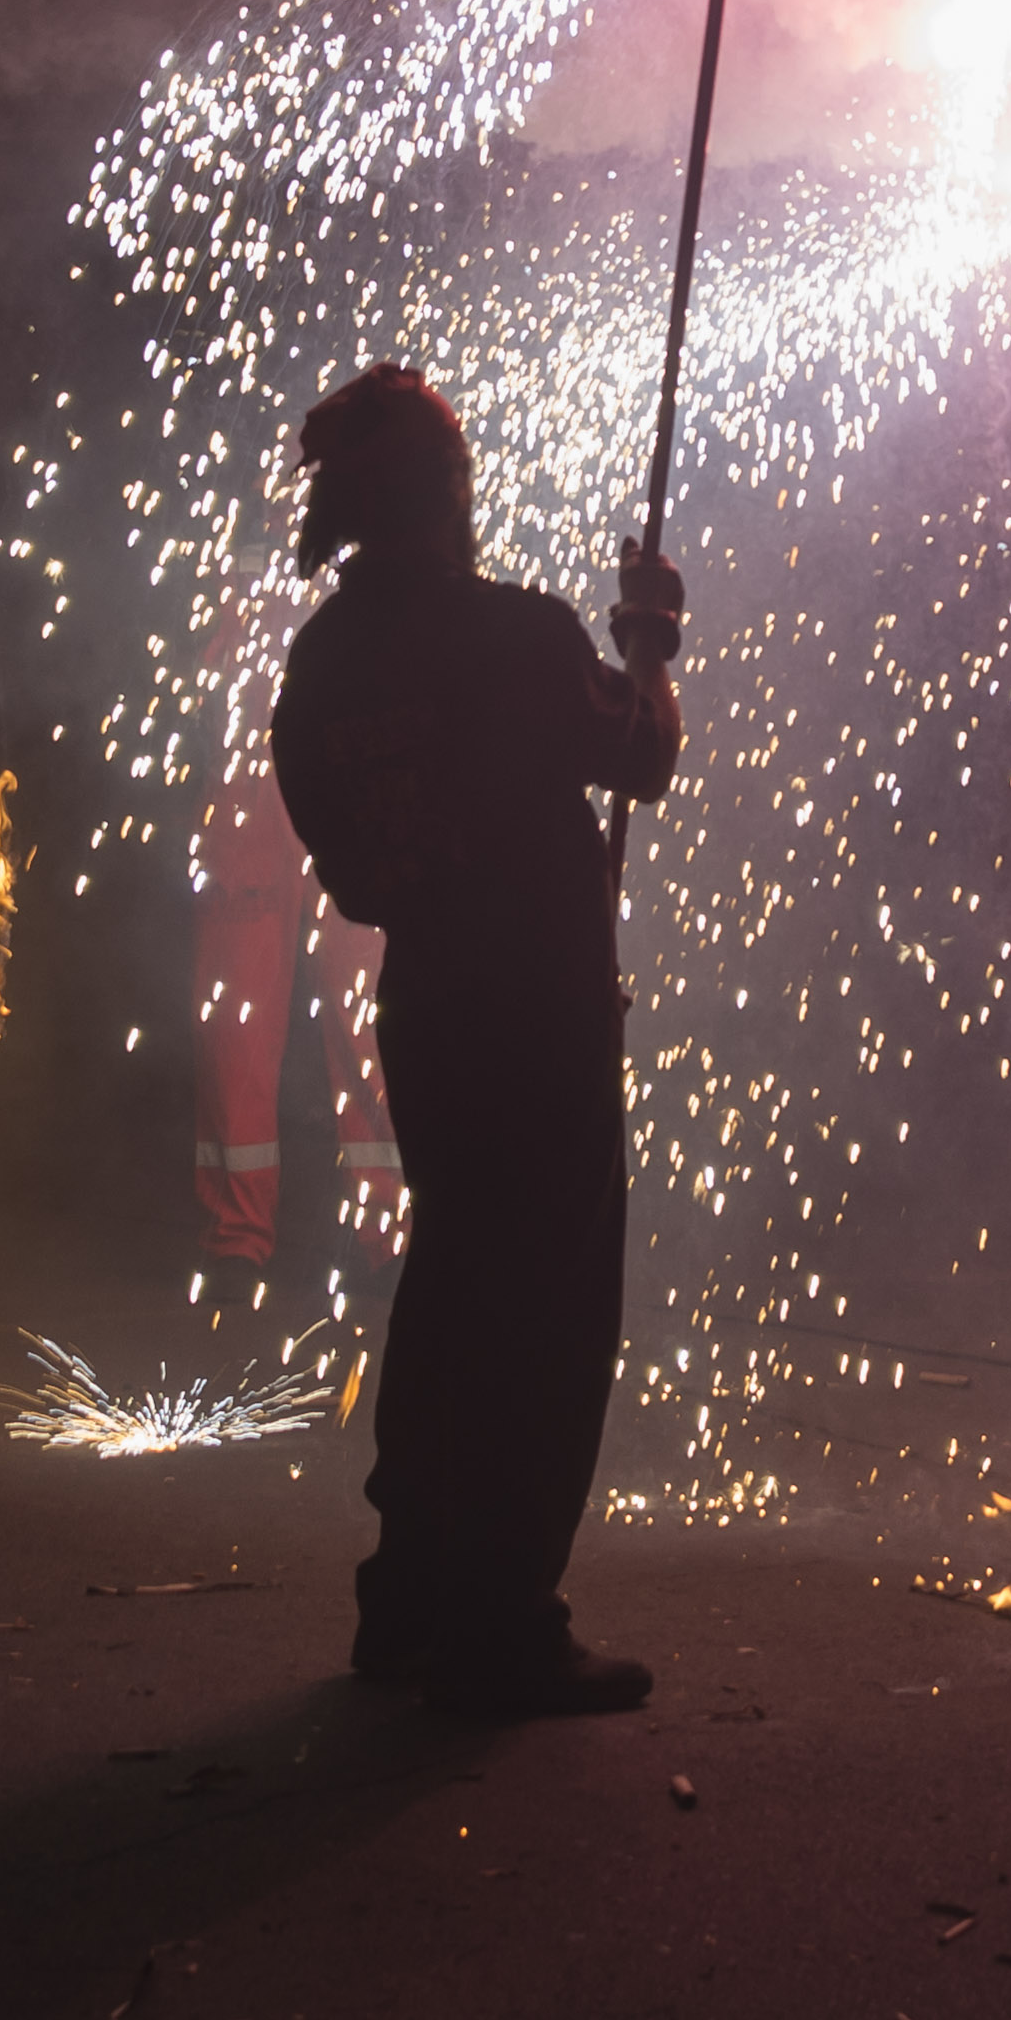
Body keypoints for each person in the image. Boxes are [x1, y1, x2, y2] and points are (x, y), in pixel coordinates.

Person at [267, 367, 679, 1716]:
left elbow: (353, 873)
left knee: (451, 1288)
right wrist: (648, 642)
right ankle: (504, 1621)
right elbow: (643, 754)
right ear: (444, 493)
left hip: (432, 1005)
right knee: (545, 1311)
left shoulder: (322, 666)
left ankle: (407, 1605)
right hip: (542, 1010)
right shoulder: (516, 633)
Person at [186, 583, 396, 1268]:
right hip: (247, 763)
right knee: (233, 1016)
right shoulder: (235, 534)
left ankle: (390, 1227)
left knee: (369, 1011)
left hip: (351, 751)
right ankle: (235, 1231)